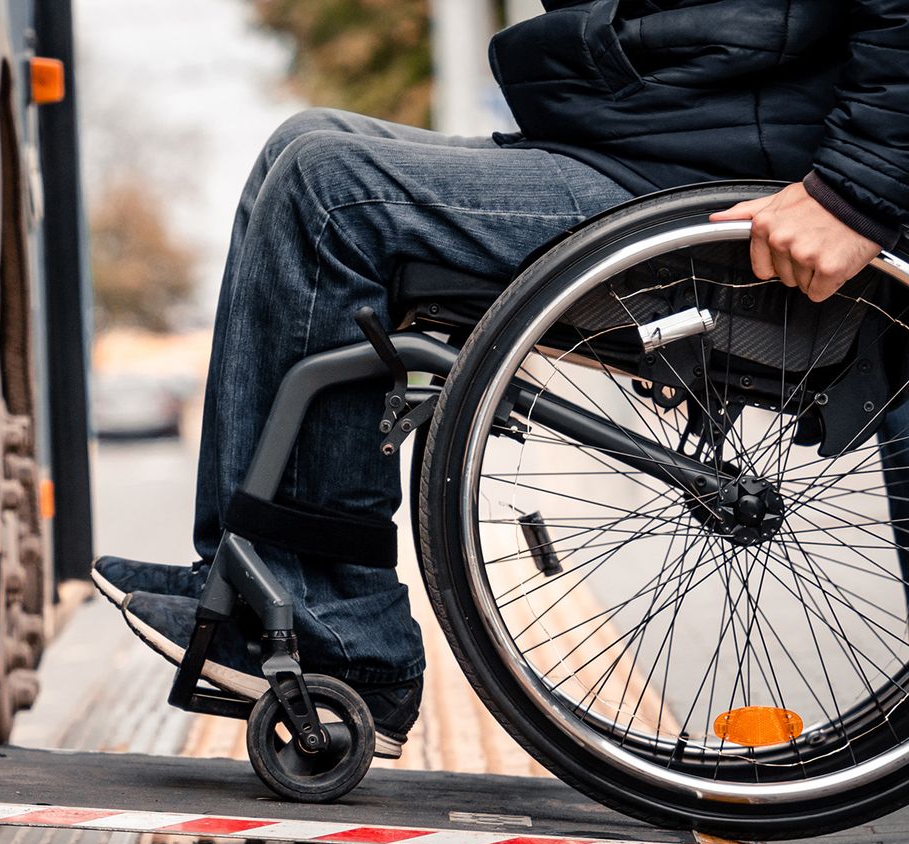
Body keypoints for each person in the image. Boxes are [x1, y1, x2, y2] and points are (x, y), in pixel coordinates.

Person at [93, 0, 908, 759]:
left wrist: (855, 192)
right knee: (300, 144)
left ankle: (338, 635)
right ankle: (251, 587)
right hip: (670, 130)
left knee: (330, 193)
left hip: (743, 172)